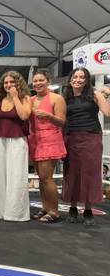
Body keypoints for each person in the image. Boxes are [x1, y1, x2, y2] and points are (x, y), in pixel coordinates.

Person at [63, 67, 110, 226]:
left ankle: (88, 210)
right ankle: (73, 208)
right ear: (70, 80)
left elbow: (107, 112)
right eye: (75, 77)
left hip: (91, 137)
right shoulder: (65, 97)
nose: (78, 79)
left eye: (82, 77)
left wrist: (107, 94)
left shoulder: (95, 95)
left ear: (86, 80)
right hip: (71, 138)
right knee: (72, 173)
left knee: (90, 173)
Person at [0, 71, 32, 222]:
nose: (8, 85)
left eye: (11, 82)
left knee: (16, 176)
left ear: (18, 83)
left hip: (18, 140)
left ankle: (15, 213)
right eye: (6, 83)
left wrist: (15, 97)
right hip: (0, 140)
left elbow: (24, 116)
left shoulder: (25, 98)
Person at [27, 69, 66, 223]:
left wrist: (49, 116)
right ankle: (45, 207)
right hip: (35, 139)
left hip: (50, 139)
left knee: (47, 178)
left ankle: (54, 211)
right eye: (35, 81)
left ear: (48, 81)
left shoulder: (57, 98)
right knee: (41, 178)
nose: (38, 83)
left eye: (41, 80)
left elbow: (62, 122)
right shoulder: (31, 100)